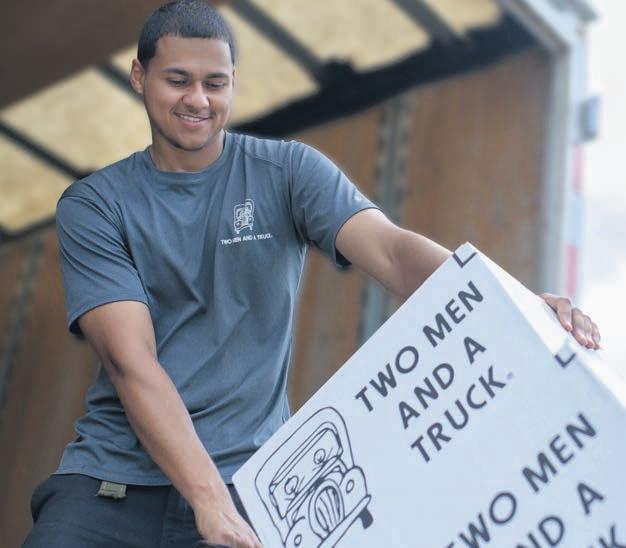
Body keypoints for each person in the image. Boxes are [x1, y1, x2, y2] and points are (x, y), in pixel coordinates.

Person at [22, 1, 601, 547]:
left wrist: (515, 305)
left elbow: (392, 252)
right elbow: (131, 362)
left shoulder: (286, 172)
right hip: (113, 482)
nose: (197, 99)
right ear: (139, 77)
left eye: (215, 83)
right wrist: (207, 498)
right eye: (178, 80)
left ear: (233, 84)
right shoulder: (96, 204)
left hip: (250, 482)